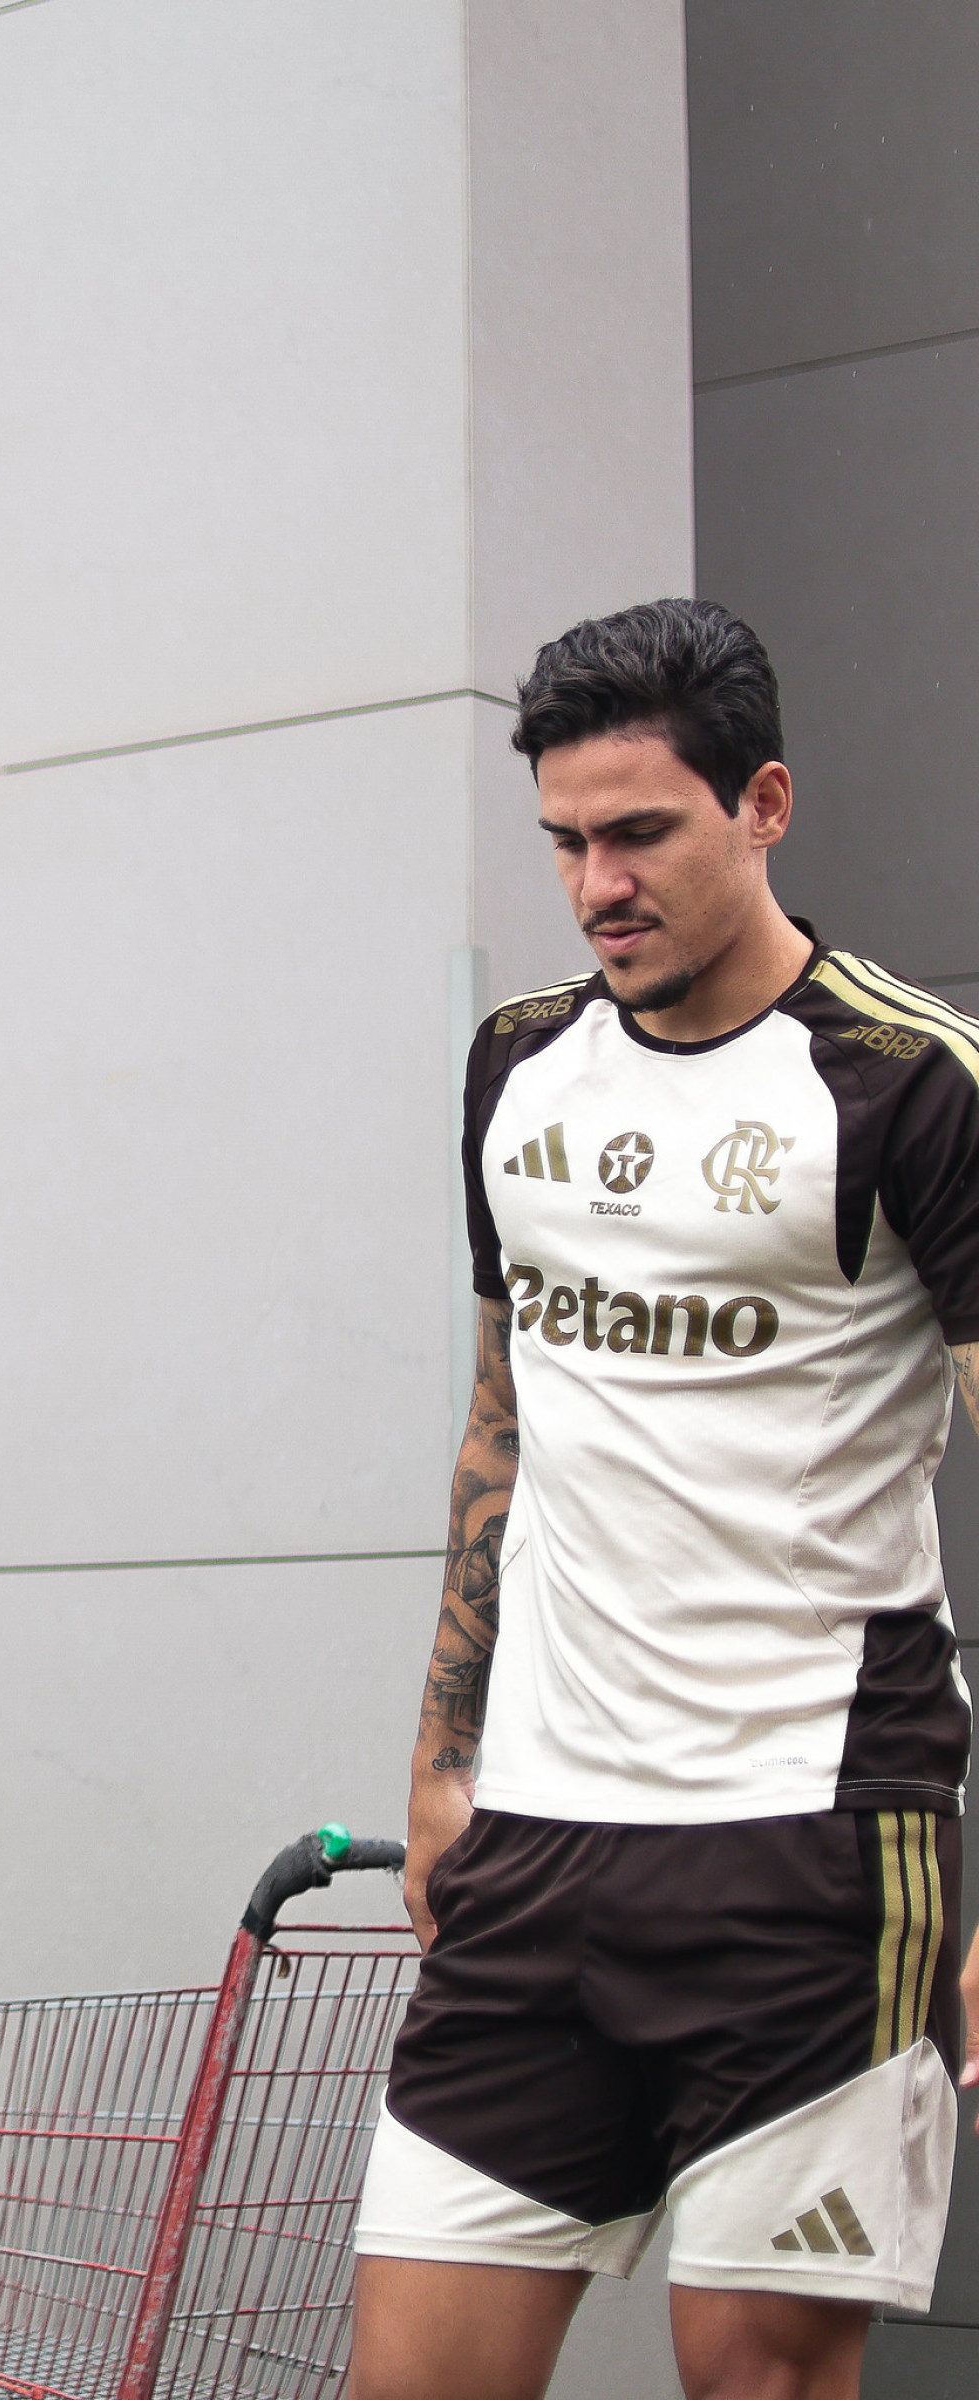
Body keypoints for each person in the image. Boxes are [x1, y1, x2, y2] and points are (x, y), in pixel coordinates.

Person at [349, 598, 979, 2400]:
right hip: (540, 1841)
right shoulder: (515, 1066)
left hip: (810, 1836)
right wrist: (440, 1761)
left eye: (641, 834)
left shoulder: (911, 1086)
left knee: (758, 2383)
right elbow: (504, 1416)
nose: (596, 883)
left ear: (763, 802)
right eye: (564, 841)